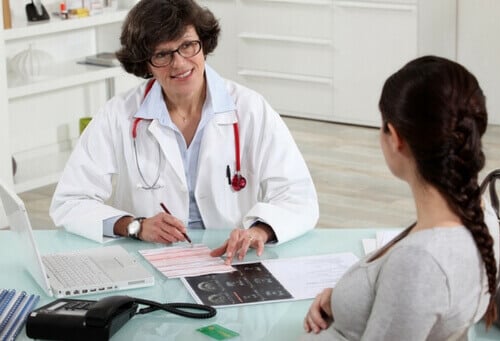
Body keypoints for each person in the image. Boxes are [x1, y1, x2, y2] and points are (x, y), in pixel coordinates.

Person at [49, 0, 318, 265]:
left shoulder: (250, 109)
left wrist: (258, 231)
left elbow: (298, 197)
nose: (179, 63)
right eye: (162, 54)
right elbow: (70, 201)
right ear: (146, 64)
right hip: (148, 257)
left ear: (204, 44)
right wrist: (134, 226)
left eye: (188, 46)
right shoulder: (118, 114)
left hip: (231, 258)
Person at [302, 56, 500, 340]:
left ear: (395, 138)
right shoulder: (480, 216)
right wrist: (345, 302)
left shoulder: (419, 263)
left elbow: (418, 288)